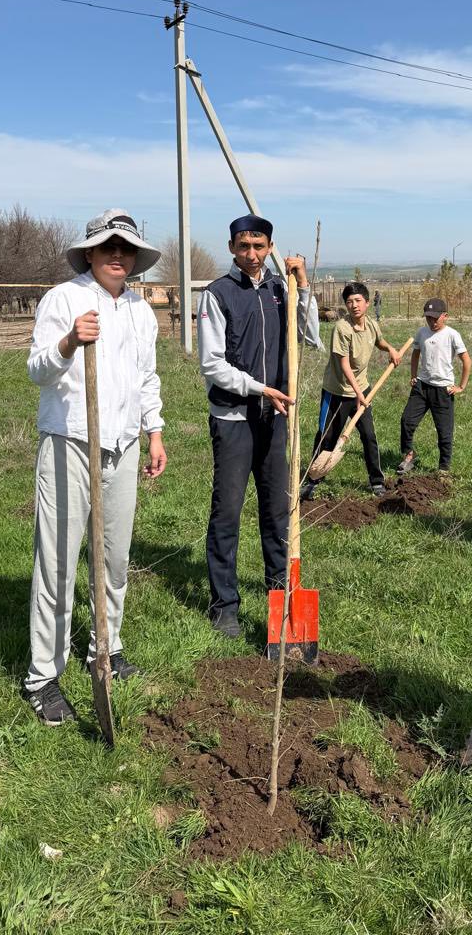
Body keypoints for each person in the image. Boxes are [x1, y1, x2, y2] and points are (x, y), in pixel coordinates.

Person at [23, 210, 166, 725]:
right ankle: (43, 675)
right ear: (89, 253)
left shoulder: (140, 312)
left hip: (123, 445)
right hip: (70, 442)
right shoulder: (64, 299)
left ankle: (106, 646)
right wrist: (69, 343)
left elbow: (146, 378)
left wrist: (154, 431)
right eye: (108, 246)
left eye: (126, 249)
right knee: (58, 562)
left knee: (115, 557)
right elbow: (36, 368)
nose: (117, 255)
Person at [197, 215, 320, 638]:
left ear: (270, 247)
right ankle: (225, 605)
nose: (252, 254)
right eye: (244, 246)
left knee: (277, 512)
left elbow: (307, 336)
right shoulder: (218, 294)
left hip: (276, 419)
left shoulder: (279, 289)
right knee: (228, 512)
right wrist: (258, 388)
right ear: (231, 247)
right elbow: (212, 364)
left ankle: (280, 597)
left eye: (259, 246)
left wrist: (302, 287)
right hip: (234, 418)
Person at [300, 282, 403, 501]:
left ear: (367, 302)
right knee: (327, 437)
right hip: (336, 392)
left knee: (369, 436)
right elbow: (344, 365)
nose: (354, 305)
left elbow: (380, 341)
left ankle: (376, 482)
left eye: (357, 301)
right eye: (349, 302)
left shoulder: (372, 325)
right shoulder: (342, 328)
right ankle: (313, 481)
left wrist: (391, 349)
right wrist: (358, 394)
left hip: (361, 389)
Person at [397, 297, 471, 477]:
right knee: (406, 421)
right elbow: (415, 355)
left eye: (435, 318)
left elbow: (466, 360)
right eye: (428, 318)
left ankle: (443, 468)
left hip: (443, 390)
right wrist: (413, 376)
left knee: (444, 432)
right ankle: (409, 456)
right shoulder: (422, 333)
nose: (431, 321)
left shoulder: (452, 335)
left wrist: (461, 386)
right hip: (422, 387)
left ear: (445, 316)